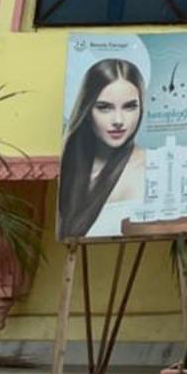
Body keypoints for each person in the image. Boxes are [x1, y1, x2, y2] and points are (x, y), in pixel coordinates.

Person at [57, 58, 148, 241]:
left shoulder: (148, 169)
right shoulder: (70, 163)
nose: (118, 120)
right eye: (104, 108)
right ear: (87, 110)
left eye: (130, 107)